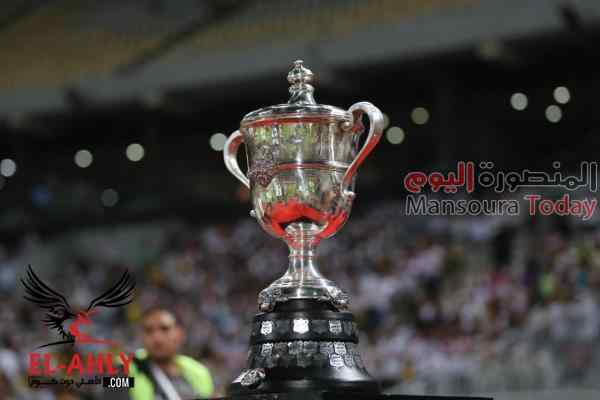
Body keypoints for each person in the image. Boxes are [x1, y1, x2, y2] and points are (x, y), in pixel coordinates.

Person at [128, 307, 214, 400]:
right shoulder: (129, 369)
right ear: (141, 336)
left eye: (165, 329)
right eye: (149, 330)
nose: (157, 337)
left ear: (180, 334)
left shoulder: (199, 372)